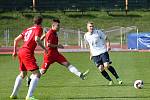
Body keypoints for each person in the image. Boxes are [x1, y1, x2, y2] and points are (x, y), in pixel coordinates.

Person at [27, 19, 89, 87]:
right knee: (43, 71)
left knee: (67, 64)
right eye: (58, 26)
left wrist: (42, 37)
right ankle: (30, 78)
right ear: (53, 26)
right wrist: (58, 45)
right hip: (49, 55)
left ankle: (80, 74)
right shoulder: (50, 33)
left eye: (59, 25)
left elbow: (44, 36)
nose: (59, 27)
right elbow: (48, 44)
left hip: (56, 54)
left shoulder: (53, 32)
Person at [10, 15, 48, 100]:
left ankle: (14, 94)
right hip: (27, 52)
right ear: (41, 22)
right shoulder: (39, 28)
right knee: (37, 74)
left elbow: (16, 40)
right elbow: (37, 40)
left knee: (23, 74)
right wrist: (45, 48)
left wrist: (14, 51)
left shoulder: (28, 29)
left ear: (33, 22)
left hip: (21, 51)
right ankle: (29, 96)